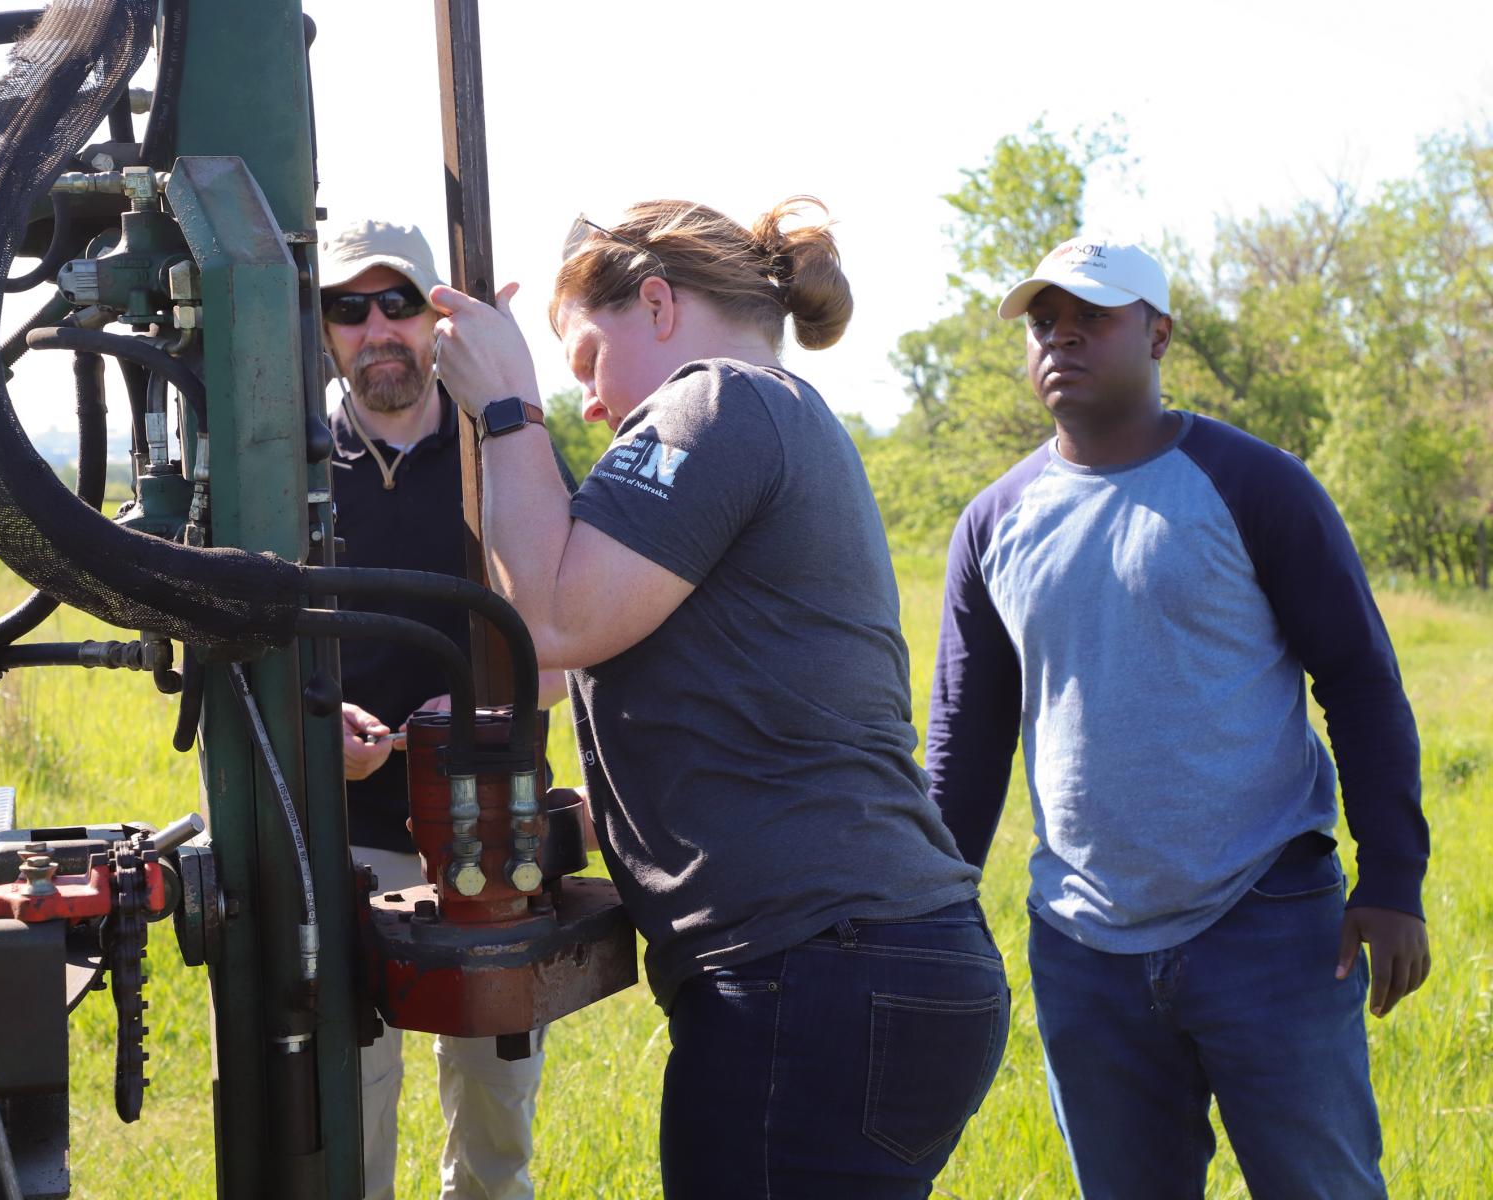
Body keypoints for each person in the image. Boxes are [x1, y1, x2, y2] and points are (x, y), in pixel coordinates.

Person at [427, 197, 1007, 1200]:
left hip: (813, 971)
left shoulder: (719, 403)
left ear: (656, 304)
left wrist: (507, 408)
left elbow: (554, 625)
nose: (592, 405)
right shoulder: (765, 419)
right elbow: (554, 660)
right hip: (859, 960)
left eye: (584, 363)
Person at [924, 236, 1432, 1198]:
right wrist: (934, 915)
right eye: (1043, 322)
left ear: (1158, 334)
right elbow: (965, 738)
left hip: (1269, 925)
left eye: (1092, 319)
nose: (1060, 340)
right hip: (1083, 948)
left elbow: (1361, 681)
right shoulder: (994, 522)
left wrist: (1394, 879)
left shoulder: (1254, 486)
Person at [320, 216, 566, 1200]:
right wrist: (313, 725)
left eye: (399, 303)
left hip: (491, 836)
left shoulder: (504, 455)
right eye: (349, 308)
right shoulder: (276, 470)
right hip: (344, 840)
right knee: (348, 1118)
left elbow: (569, 640)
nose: (377, 328)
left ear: (438, 318)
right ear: (321, 330)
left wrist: (476, 711)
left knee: (496, 1126)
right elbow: (234, 648)